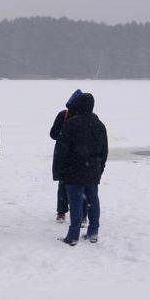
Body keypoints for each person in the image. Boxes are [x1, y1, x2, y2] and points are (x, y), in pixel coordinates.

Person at [52, 92, 108, 246]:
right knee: (92, 202)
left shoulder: (71, 124)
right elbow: (104, 151)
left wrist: (57, 171)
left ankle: (73, 235)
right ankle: (93, 232)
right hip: (92, 171)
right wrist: (100, 168)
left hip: (73, 171)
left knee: (75, 203)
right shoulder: (99, 125)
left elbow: (61, 150)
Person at [49, 89, 88, 223]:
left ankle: (82, 215)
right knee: (64, 184)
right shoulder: (63, 115)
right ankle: (61, 212)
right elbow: (53, 134)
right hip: (64, 155)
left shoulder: (85, 116)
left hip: (79, 156)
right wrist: (65, 137)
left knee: (80, 185)